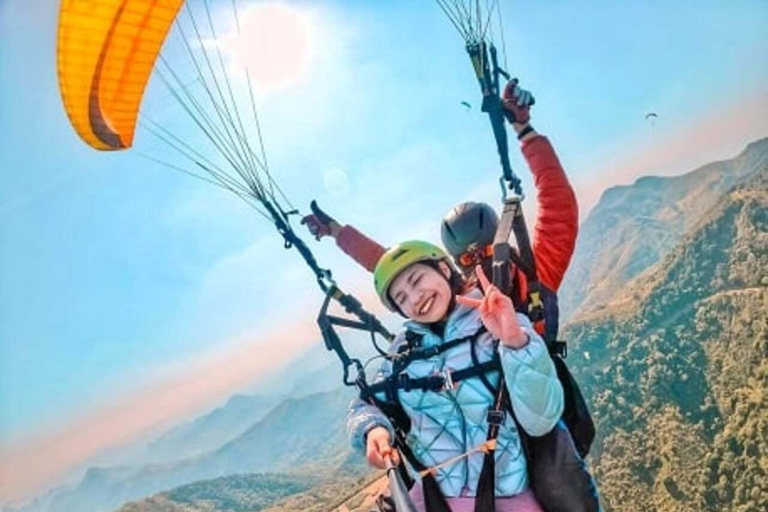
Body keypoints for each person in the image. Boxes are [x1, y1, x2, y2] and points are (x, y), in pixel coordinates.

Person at [348, 240, 563, 511]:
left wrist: (514, 342)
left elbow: (541, 420)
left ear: (443, 269)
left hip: (508, 495)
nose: (415, 299)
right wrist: (372, 428)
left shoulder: (497, 317)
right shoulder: (401, 356)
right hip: (435, 500)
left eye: (416, 280)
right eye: (401, 298)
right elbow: (366, 403)